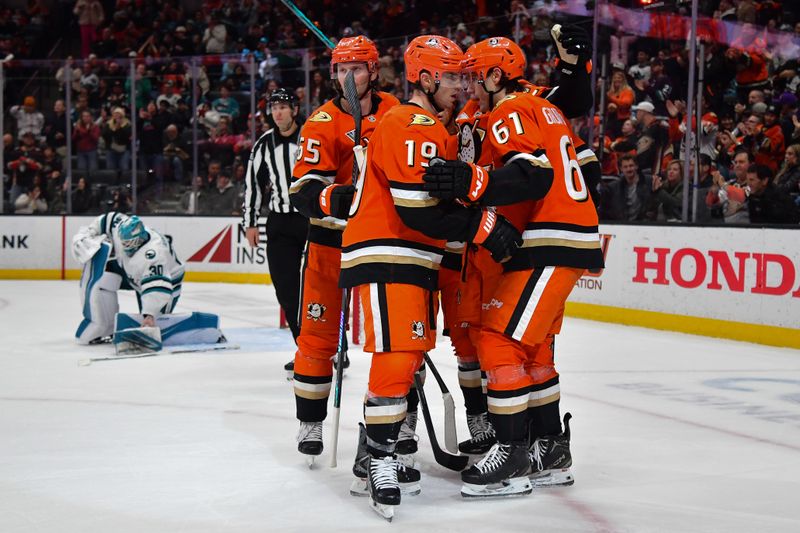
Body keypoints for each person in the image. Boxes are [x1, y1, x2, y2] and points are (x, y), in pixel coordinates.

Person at [339, 34, 516, 519]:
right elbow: (418, 209)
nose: (462, 85)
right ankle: (379, 459)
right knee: (397, 358)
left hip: (413, 258)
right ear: (426, 77)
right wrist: (484, 224)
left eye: (464, 75)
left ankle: (382, 449)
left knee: (409, 355)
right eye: (454, 76)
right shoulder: (409, 121)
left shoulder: (424, 124)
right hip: (390, 251)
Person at [423, 36, 604, 499]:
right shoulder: (544, 107)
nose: (468, 85)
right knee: (535, 349)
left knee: (496, 338)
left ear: (495, 75)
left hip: (547, 237)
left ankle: (511, 455)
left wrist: (473, 178)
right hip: (563, 234)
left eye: (474, 75)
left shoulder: (507, 111)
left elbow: (533, 174)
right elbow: (585, 164)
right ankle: (549, 448)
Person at [287, 35, 400, 465]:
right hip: (330, 243)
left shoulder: (398, 113)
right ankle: (311, 420)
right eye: (340, 69)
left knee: (393, 340)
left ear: (373, 71)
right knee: (316, 336)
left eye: (355, 68)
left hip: (384, 244)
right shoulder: (320, 121)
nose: (346, 78)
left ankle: (395, 424)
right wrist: (338, 197)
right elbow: (303, 189)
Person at [242, 88, 308, 369]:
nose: (278, 112)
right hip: (279, 222)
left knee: (318, 288)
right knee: (286, 288)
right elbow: (253, 184)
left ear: (294, 109)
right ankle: (305, 350)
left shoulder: (310, 136)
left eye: (283, 106)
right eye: (274, 107)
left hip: (311, 220)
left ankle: (329, 347)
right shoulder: (263, 144)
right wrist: (251, 222)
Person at [71, 213, 184, 344]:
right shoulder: (121, 229)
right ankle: (106, 326)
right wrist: (87, 234)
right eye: (123, 242)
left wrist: (149, 315)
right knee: (105, 278)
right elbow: (108, 219)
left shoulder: (153, 254)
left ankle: (157, 319)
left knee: (154, 324)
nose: (125, 247)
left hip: (168, 280)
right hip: (131, 273)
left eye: (130, 243)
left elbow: (157, 286)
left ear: (140, 239)